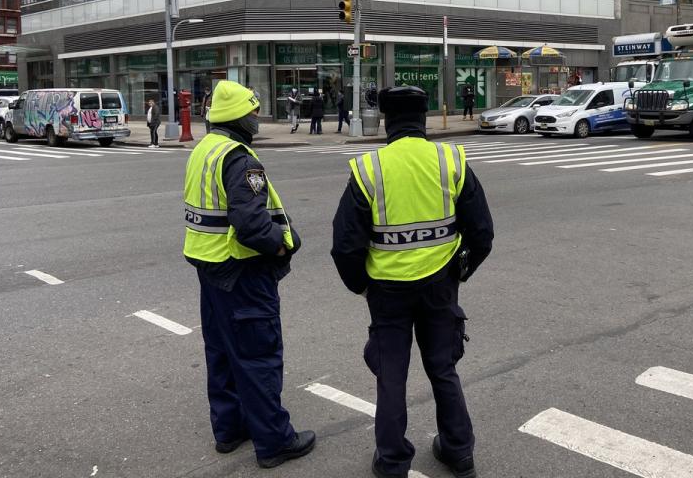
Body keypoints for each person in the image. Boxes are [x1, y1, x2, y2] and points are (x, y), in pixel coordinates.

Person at [331, 86, 494, 478]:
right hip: (440, 285)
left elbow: (345, 246)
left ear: (387, 120)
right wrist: (460, 271)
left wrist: (362, 286)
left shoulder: (369, 169)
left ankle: (392, 462)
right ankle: (458, 451)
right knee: (443, 368)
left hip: (387, 292)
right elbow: (482, 233)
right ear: (423, 118)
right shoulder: (450, 161)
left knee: (392, 376)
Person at [183, 80, 316, 468]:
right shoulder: (240, 159)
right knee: (259, 356)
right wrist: (281, 244)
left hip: (211, 268)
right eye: (253, 113)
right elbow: (252, 225)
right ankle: (274, 441)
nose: (257, 119)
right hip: (243, 272)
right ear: (239, 117)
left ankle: (229, 429)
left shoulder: (204, 150)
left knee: (222, 353)